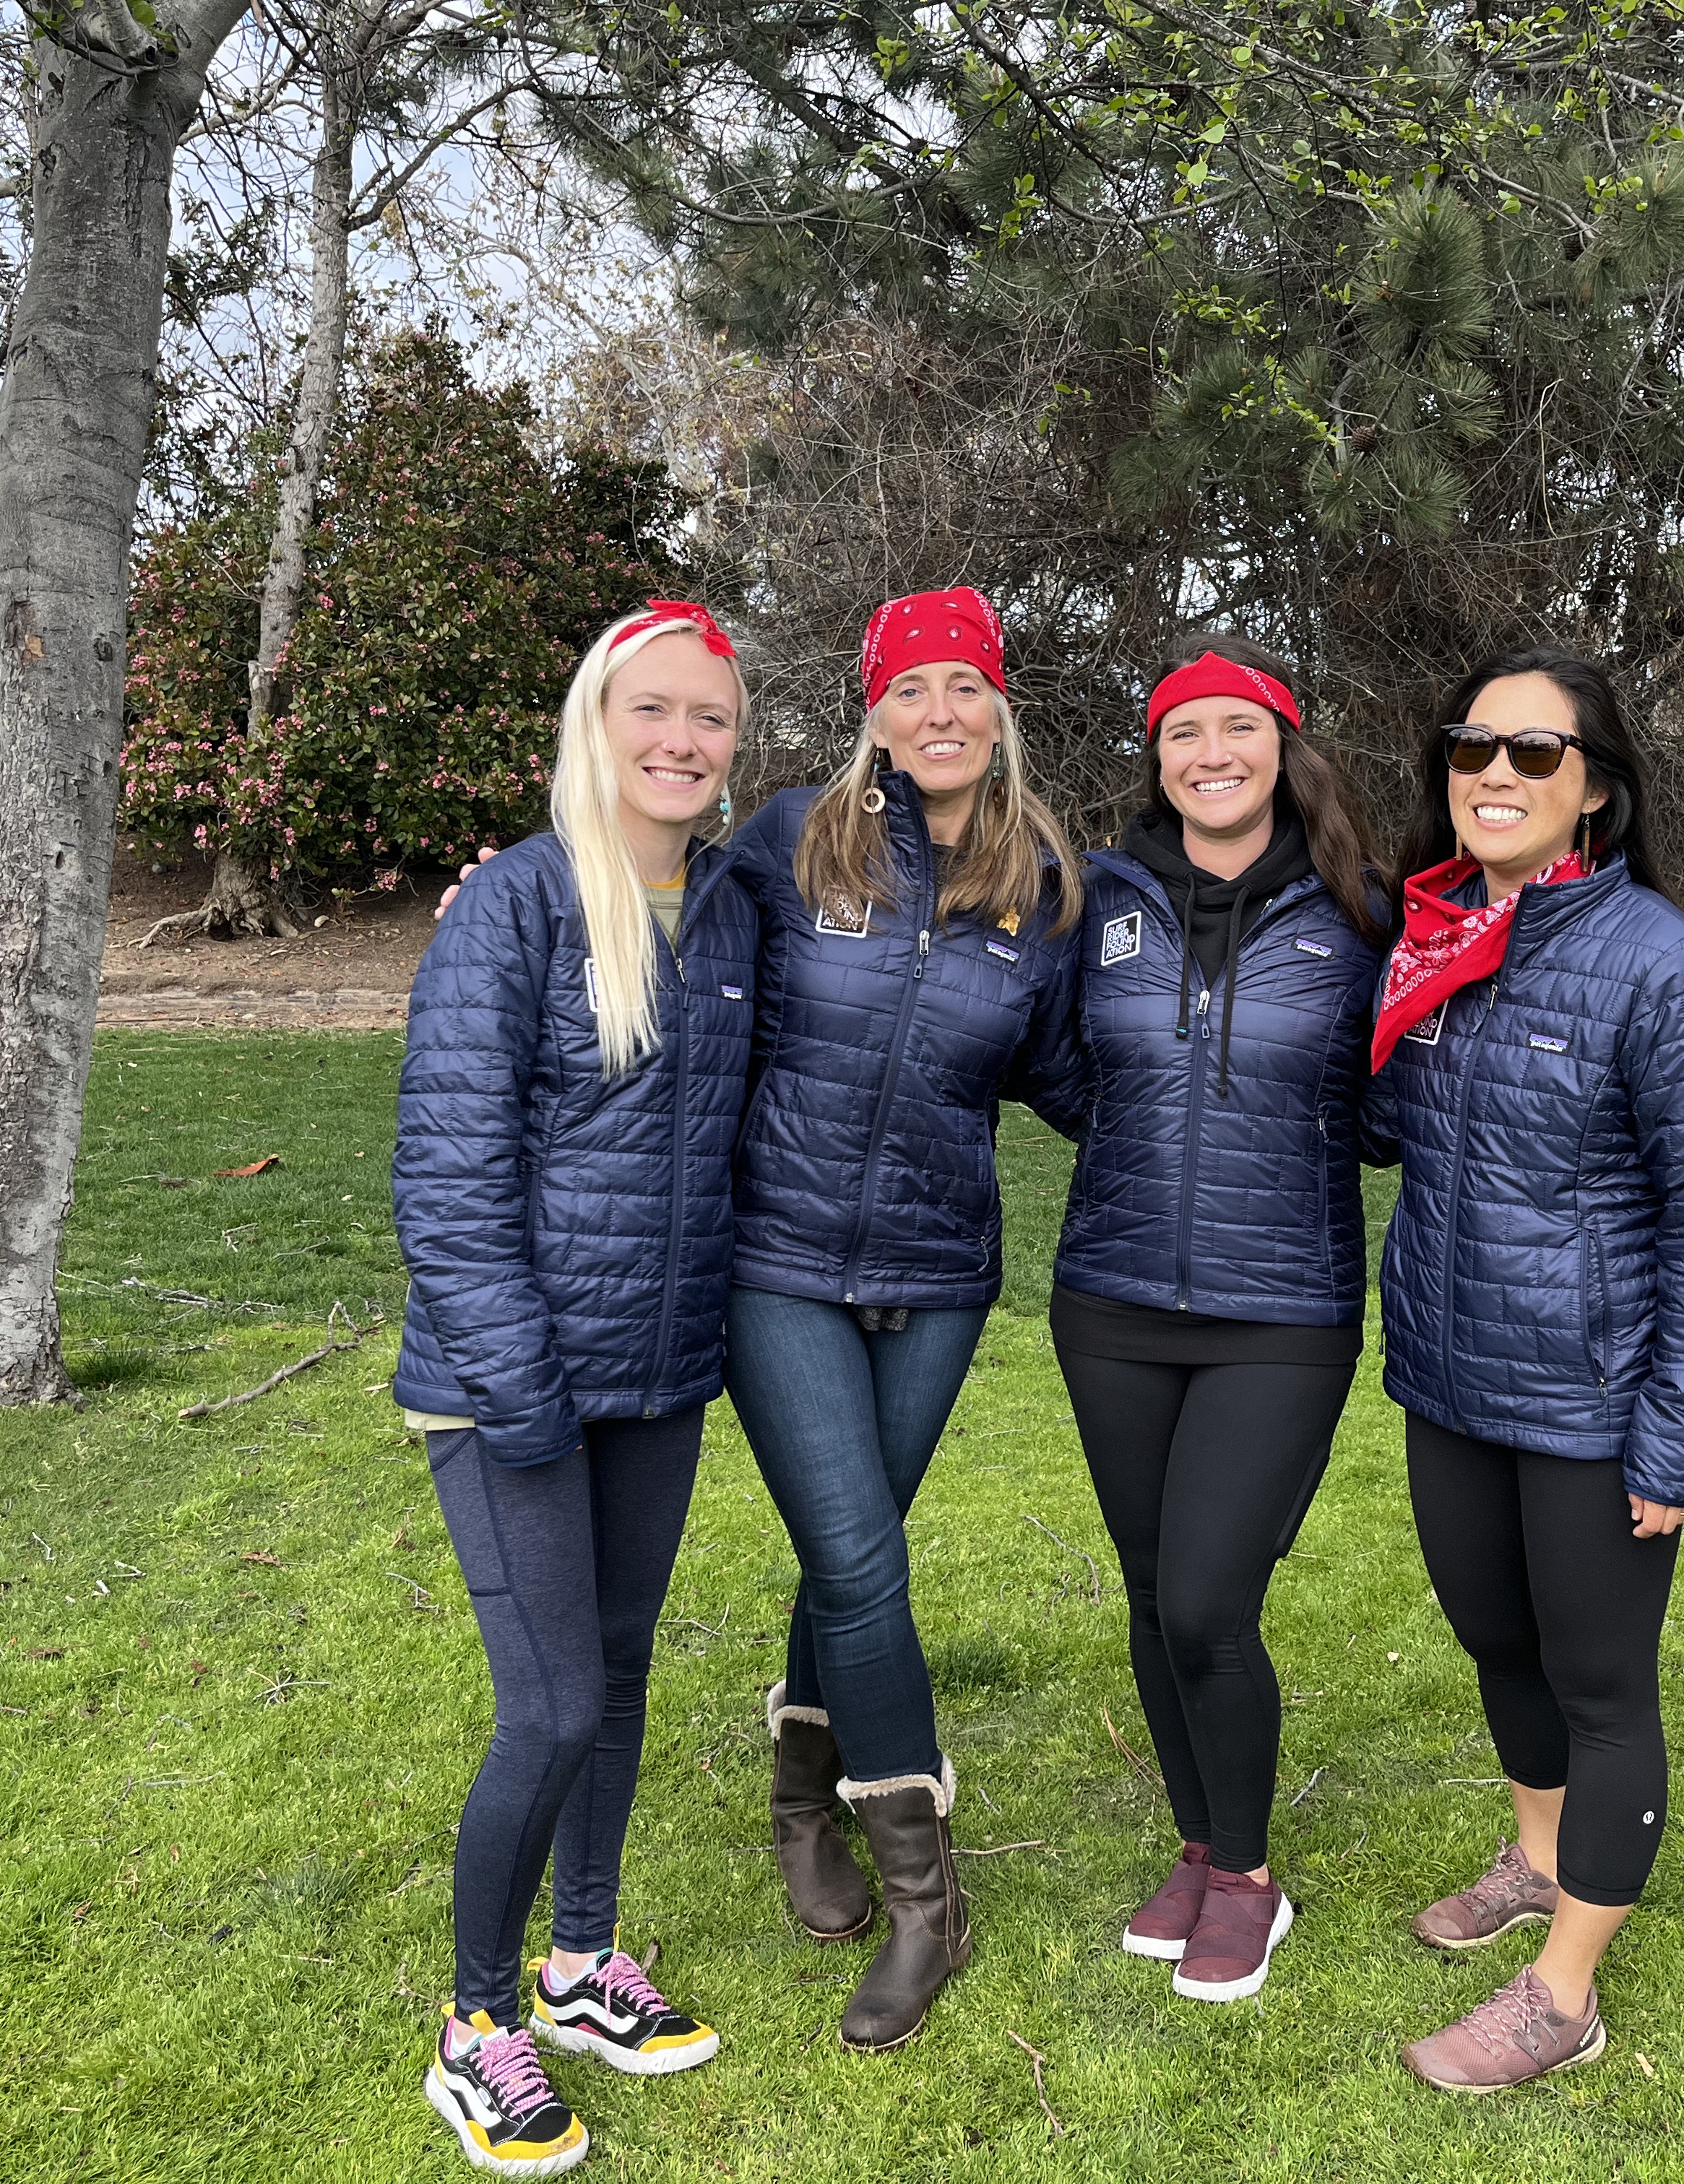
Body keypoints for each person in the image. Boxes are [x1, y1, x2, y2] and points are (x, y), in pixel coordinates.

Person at [1370, 647, 1684, 2093]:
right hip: (1450, 1374)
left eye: (1534, 753)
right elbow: (1389, 1130)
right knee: (1498, 1643)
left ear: (1594, 789)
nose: (1495, 773)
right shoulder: (1432, 938)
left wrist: (1678, 1435)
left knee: (1600, 1687)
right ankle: (1538, 1857)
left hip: (1591, 1400)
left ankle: (1565, 1992)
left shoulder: (1662, 964)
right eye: (1471, 745)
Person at [393, 600, 758, 2174]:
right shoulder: (517, 907)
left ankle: (582, 1964)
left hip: (656, 1379)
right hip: (512, 1388)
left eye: (711, 717)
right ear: (594, 725)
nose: (682, 739)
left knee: (614, 1671)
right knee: (547, 1707)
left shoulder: (731, 910)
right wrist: (520, 1390)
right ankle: (477, 2027)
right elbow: (448, 1182)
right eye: (651, 710)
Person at [725, 586, 1087, 2052]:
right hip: (779, 1258)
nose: (941, 711)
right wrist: (522, 902)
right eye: (912, 688)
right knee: (865, 1559)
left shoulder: (1041, 880)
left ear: (999, 707)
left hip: (937, 1273)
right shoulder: (792, 839)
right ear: (873, 711)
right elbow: (671, 952)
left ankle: (801, 1800)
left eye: (966, 686)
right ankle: (930, 1902)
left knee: (847, 1545)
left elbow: (1072, 1069)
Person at [1042, 633, 1390, 2003]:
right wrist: (1147, 1130)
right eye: (1184, 732)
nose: (1211, 755)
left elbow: (1391, 1101)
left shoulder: (1359, 909)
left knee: (1207, 1601)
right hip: (1113, 1299)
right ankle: (1198, 1846)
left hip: (1282, 1308)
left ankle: (1248, 1879)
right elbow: (1059, 1063)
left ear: (1283, 750)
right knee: (1149, 1592)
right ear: (1158, 759)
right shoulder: (1099, 898)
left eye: (1238, 727)